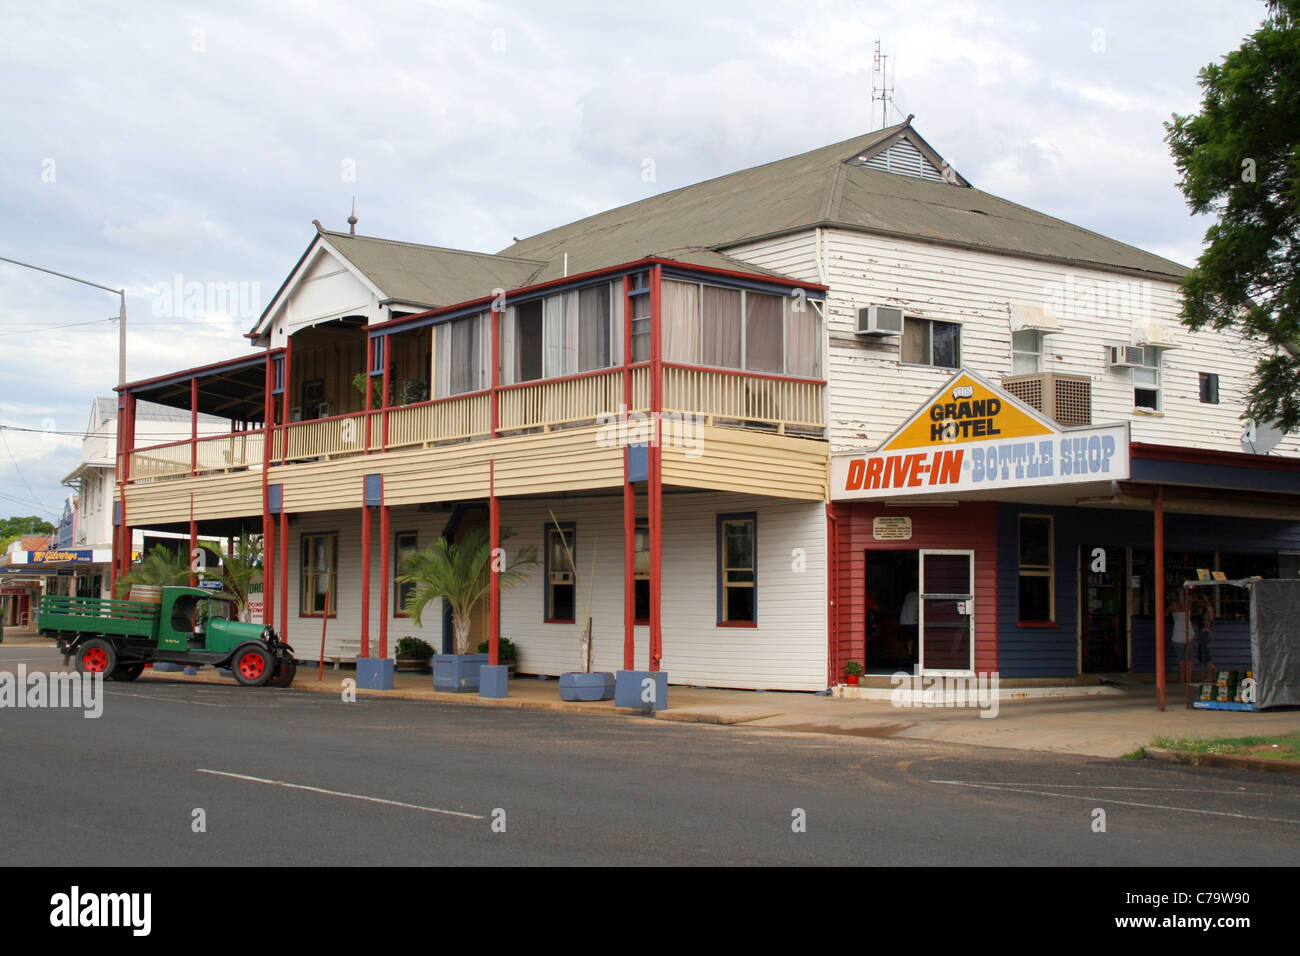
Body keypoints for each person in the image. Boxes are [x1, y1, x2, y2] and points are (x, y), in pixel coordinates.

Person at [1167, 588, 1195, 684]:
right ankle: (1189, 678)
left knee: (1181, 659)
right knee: (1190, 658)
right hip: (1189, 633)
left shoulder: (1172, 606)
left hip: (1178, 635)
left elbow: (1163, 615)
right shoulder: (1188, 605)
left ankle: (1182, 678)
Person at [1191, 590, 1216, 683]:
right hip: (1208, 632)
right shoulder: (1210, 608)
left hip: (1204, 632)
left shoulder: (1203, 608)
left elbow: (1193, 614)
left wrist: (1193, 607)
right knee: (1204, 654)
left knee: (1205, 655)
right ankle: (1209, 675)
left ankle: (1210, 674)